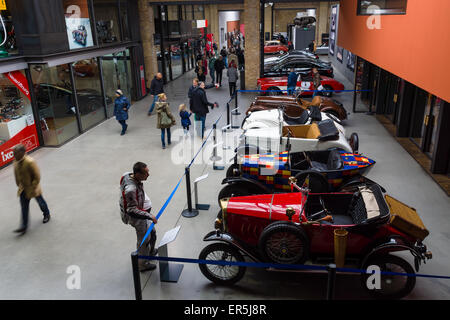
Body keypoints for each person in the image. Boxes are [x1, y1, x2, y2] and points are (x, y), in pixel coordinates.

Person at [120, 162, 158, 272]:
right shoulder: (131, 189)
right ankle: (142, 264)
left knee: (152, 233)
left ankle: (150, 253)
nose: (148, 175)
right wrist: (149, 215)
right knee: (144, 240)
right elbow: (131, 210)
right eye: (146, 173)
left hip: (142, 213)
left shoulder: (127, 174)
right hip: (137, 218)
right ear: (137, 174)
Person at [12, 144, 51, 235]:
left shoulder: (30, 162)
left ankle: (46, 214)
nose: (13, 155)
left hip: (33, 188)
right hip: (22, 188)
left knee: (41, 202)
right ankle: (23, 226)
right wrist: (19, 184)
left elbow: (37, 176)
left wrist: (33, 186)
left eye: (15, 153)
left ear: (22, 153)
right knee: (24, 207)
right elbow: (16, 173)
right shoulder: (15, 161)